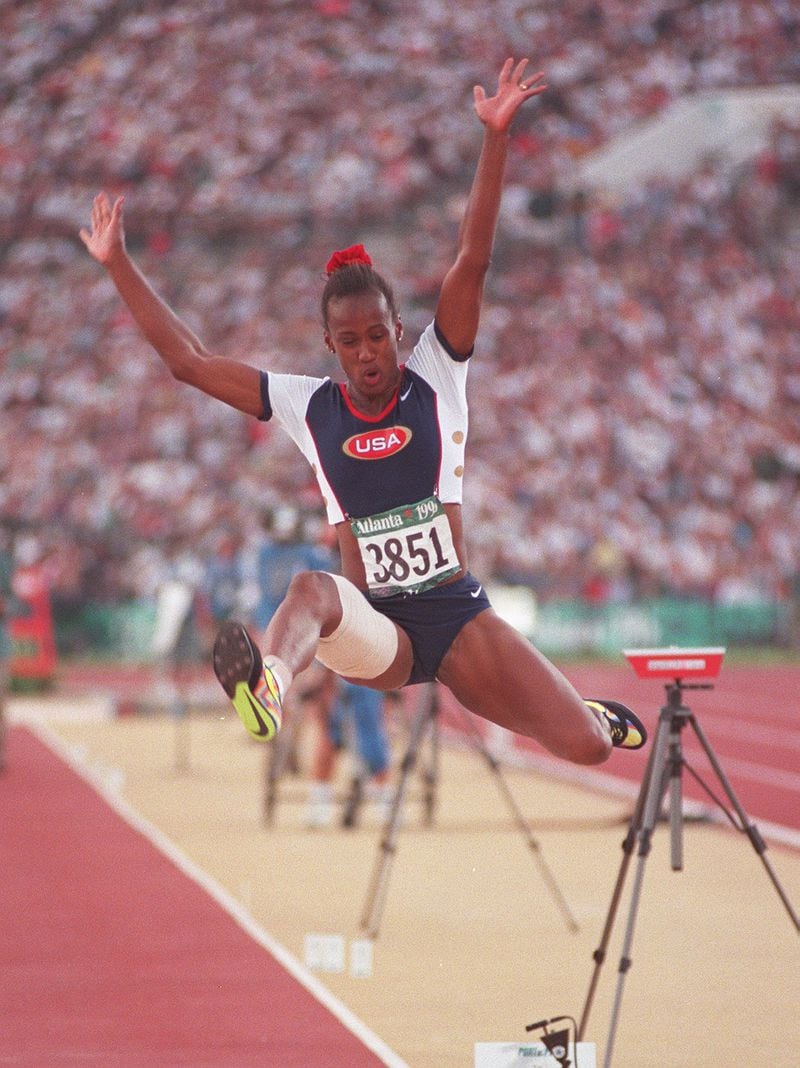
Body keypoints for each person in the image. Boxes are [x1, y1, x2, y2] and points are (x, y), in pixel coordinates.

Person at [80, 57, 646, 765]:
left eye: (378, 335)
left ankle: (583, 711)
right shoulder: (307, 404)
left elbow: (472, 259)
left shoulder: (438, 375)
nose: (367, 353)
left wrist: (495, 137)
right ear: (330, 345)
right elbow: (188, 363)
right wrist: (117, 263)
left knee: (589, 748)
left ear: (397, 332)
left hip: (454, 614)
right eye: (349, 342)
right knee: (313, 587)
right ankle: (271, 688)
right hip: (376, 625)